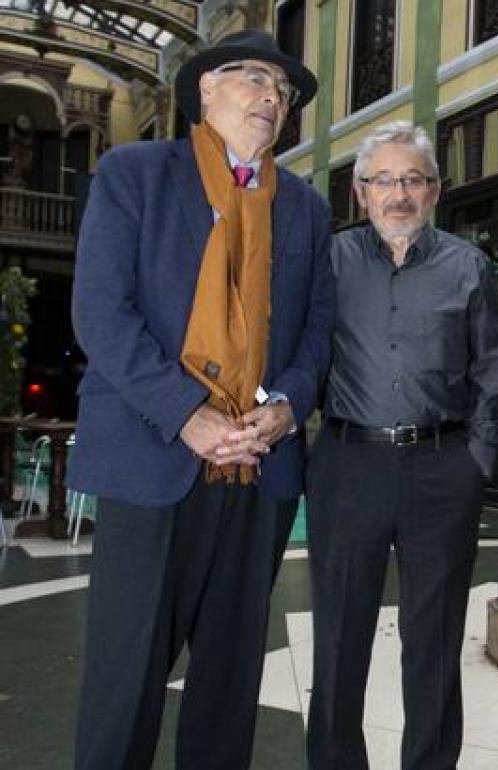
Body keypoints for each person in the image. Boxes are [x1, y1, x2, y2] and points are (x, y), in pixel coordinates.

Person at [69, 29, 332, 769]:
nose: (271, 97)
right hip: (155, 464)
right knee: (126, 683)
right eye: (252, 78)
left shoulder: (306, 208)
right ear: (204, 91)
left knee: (229, 681)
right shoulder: (135, 174)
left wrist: (286, 408)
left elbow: (317, 330)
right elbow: (101, 313)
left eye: (282, 92)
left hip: (259, 473)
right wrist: (187, 414)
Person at [305, 120, 498, 770]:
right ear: (361, 191)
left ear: (435, 190)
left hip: (441, 469)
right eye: (384, 180)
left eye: (412, 180)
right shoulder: (329, 262)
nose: (399, 194)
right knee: (338, 640)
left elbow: (493, 373)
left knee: (434, 639)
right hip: (348, 464)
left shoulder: (468, 267)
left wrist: (474, 463)